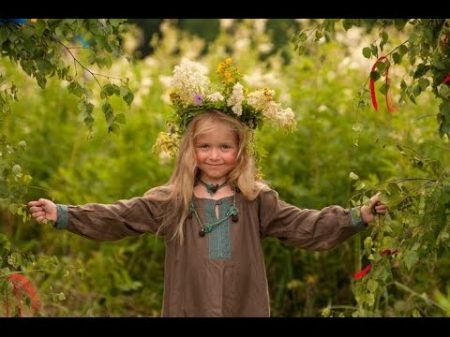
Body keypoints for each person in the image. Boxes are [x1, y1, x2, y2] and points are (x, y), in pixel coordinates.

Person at [28, 58, 387, 317]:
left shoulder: (256, 200)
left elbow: (305, 225)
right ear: (191, 150)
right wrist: (62, 214)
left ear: (240, 151)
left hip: (242, 306)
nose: (214, 156)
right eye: (204, 147)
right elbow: (119, 217)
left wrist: (358, 216)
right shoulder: (173, 201)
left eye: (225, 147)